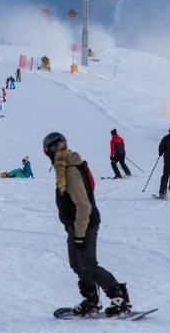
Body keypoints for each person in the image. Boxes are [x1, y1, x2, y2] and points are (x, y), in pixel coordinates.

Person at [42, 132, 131, 317]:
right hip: (75, 225)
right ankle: (92, 300)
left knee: (88, 267)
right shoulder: (66, 166)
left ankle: (119, 298)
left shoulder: (70, 170)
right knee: (76, 264)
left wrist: (80, 234)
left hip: (85, 225)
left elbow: (84, 205)